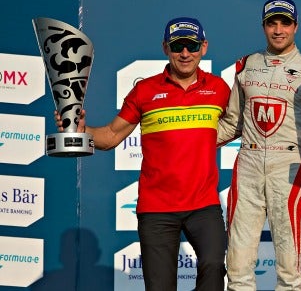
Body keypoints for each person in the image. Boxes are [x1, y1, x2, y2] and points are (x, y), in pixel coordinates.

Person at [56, 17, 230, 291]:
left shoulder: (219, 89)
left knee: (214, 266)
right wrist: (81, 130)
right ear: (165, 48)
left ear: (204, 47)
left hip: (203, 205)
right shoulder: (145, 90)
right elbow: (112, 136)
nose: (185, 53)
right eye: (178, 46)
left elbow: (243, 125)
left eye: (192, 45)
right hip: (157, 207)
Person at [216, 0, 301, 291]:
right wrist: (187, 139)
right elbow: (232, 122)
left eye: (285, 23)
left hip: (288, 166)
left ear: (296, 26)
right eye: (272, 23)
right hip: (249, 162)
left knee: (289, 265)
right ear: (264, 26)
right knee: (238, 262)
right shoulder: (247, 65)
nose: (278, 29)